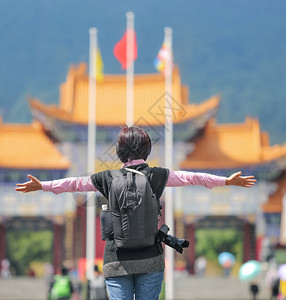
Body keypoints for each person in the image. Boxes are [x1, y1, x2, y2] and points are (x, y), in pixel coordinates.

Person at [15, 125, 256, 300]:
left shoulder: (106, 178)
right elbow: (192, 177)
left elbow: (75, 184)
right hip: (151, 258)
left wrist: (43, 186)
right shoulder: (158, 176)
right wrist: (226, 181)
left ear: (119, 152)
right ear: (147, 151)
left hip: (116, 261)